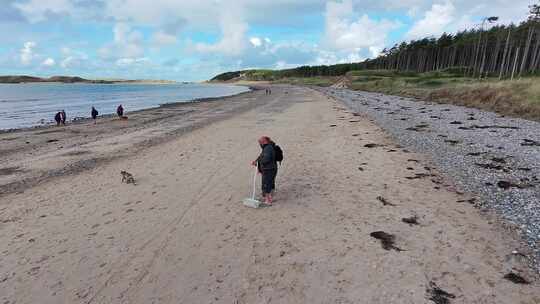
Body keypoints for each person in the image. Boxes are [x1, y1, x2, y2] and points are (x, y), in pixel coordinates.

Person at [251, 136, 278, 205]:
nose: (260, 144)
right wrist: (256, 161)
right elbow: (261, 156)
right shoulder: (268, 147)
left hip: (268, 169)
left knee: (266, 185)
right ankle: (271, 197)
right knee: (270, 183)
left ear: (264, 142)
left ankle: (268, 201)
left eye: (260, 142)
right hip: (272, 168)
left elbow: (266, 159)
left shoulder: (268, 148)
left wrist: (258, 163)